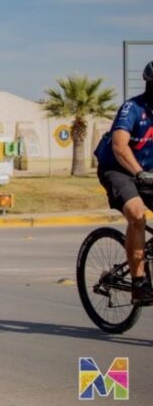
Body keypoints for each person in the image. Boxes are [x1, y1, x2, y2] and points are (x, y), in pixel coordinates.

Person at [94, 60, 153, 305]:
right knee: (137, 215)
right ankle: (139, 283)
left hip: (148, 172)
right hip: (118, 169)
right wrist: (139, 173)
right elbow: (119, 146)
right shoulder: (133, 108)